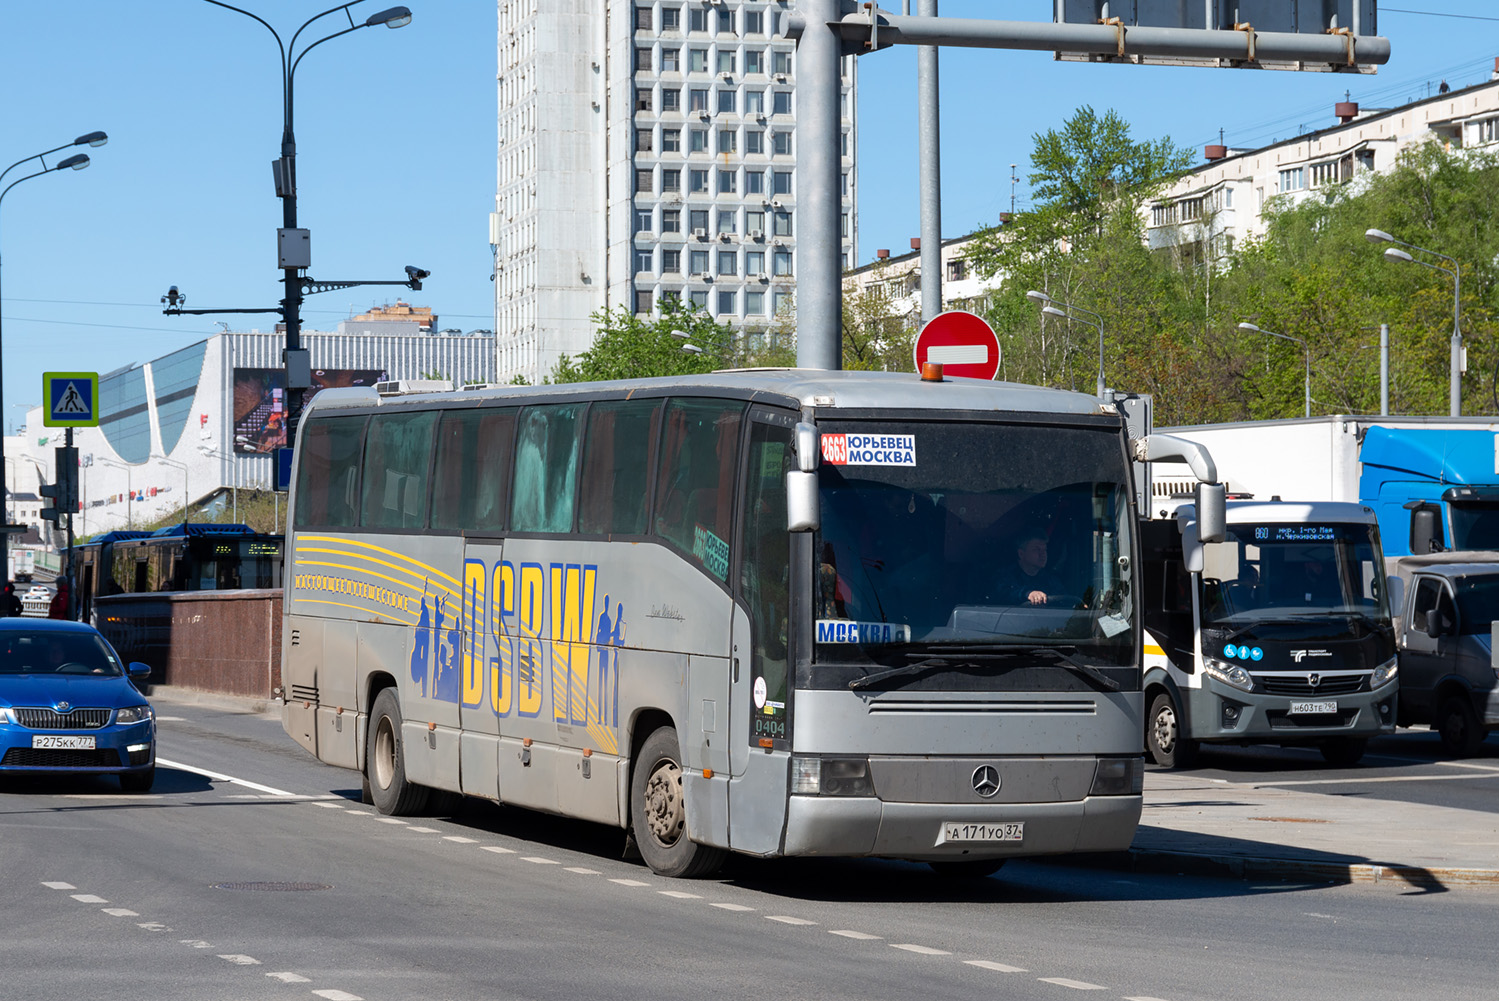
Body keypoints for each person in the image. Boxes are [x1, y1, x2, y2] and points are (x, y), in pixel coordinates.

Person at [995, 531, 1067, 606]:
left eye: (1044, 550)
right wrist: (1028, 594)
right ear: (1021, 554)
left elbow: (1064, 601)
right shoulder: (1004, 576)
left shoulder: (1051, 580)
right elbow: (1004, 594)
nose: (1043, 554)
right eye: (1036, 549)